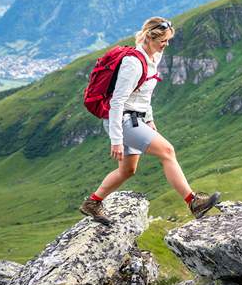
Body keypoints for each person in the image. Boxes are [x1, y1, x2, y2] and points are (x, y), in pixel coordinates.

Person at [79, 17, 220, 225]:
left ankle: (92, 203)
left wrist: (150, 119)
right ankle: (193, 202)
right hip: (123, 121)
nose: (166, 44)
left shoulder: (155, 56)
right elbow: (117, 102)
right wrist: (116, 139)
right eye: (163, 40)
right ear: (150, 38)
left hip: (136, 119)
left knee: (127, 170)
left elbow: (144, 95)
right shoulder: (133, 63)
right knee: (168, 151)